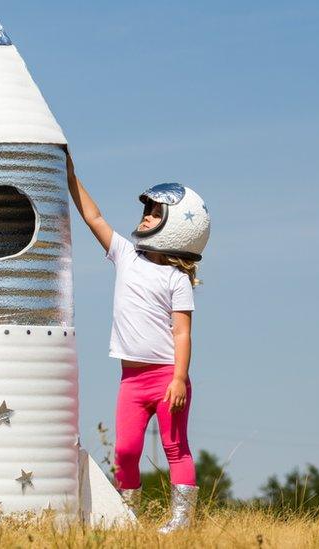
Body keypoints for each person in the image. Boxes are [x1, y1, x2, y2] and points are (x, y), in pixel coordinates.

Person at [65, 151, 211, 533]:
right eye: (146, 211)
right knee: (126, 452)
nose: (144, 217)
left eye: (153, 213)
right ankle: (127, 514)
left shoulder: (177, 280)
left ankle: (182, 519)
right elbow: (93, 217)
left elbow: (182, 333)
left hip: (166, 379)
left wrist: (179, 379)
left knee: (174, 447)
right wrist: (70, 173)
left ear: (176, 227)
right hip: (130, 381)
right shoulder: (126, 255)